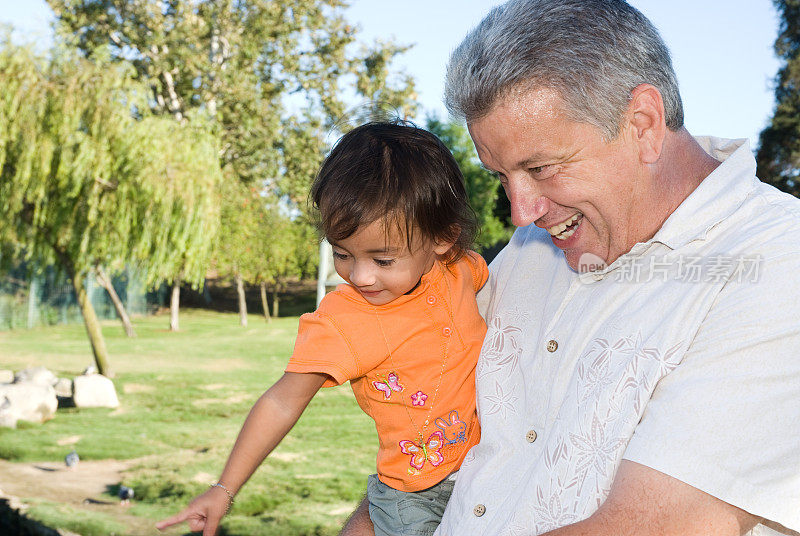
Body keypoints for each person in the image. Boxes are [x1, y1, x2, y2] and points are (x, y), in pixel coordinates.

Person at [342, 1, 800, 535]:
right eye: (503, 176)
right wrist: (371, 519)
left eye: (541, 169)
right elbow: (438, 424)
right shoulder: (530, 250)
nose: (521, 211)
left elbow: (654, 526)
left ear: (643, 124)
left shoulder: (776, 264)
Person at [155, 121, 489, 536]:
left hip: (486, 470)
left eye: (383, 260)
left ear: (443, 238)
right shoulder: (343, 319)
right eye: (343, 253)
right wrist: (223, 489)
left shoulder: (459, 270)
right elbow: (282, 401)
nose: (360, 276)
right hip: (414, 499)